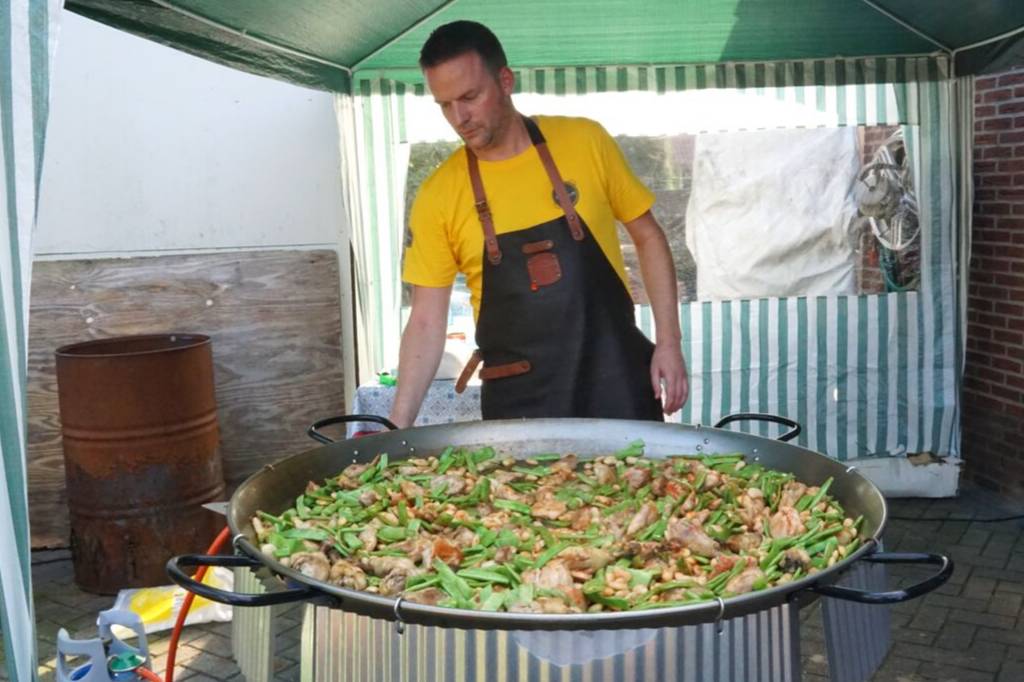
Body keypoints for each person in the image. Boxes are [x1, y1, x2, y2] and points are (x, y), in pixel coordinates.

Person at [388, 20, 688, 428]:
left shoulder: (585, 141)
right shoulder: (438, 195)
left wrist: (669, 343)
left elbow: (649, 237)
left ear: (506, 80)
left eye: (470, 97)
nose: (459, 117)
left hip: (616, 383)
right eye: (444, 104)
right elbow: (425, 319)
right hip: (520, 408)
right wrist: (397, 426)